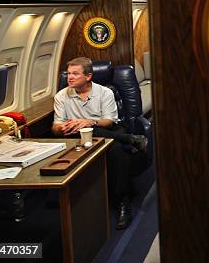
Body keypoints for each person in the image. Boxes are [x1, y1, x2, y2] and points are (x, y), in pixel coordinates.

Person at [52, 57, 148, 230]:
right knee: (118, 145)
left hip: (107, 130)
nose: (70, 78)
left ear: (88, 76)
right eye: (69, 74)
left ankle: (122, 203)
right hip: (76, 136)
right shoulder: (61, 96)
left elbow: (109, 122)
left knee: (117, 151)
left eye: (75, 74)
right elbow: (56, 127)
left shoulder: (105, 92)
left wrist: (88, 122)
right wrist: (64, 127)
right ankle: (131, 140)